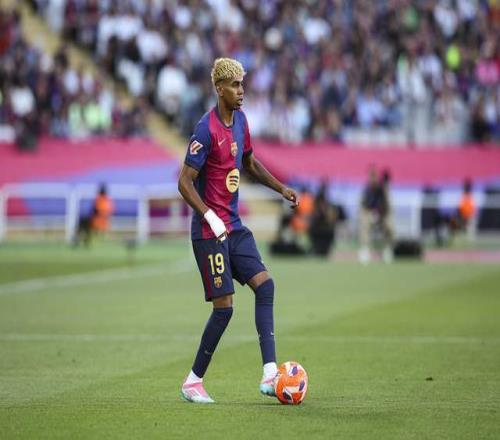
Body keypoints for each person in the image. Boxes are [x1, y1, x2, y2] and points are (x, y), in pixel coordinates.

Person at [177, 58, 298, 404]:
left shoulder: (242, 121)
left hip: (234, 226)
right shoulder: (205, 129)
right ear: (219, 89)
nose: (241, 91)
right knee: (224, 308)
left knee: (265, 285)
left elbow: (249, 163)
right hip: (209, 232)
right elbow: (184, 182)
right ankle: (193, 382)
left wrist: (280, 188)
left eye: (242, 84)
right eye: (234, 85)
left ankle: (270, 374)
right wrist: (209, 217)